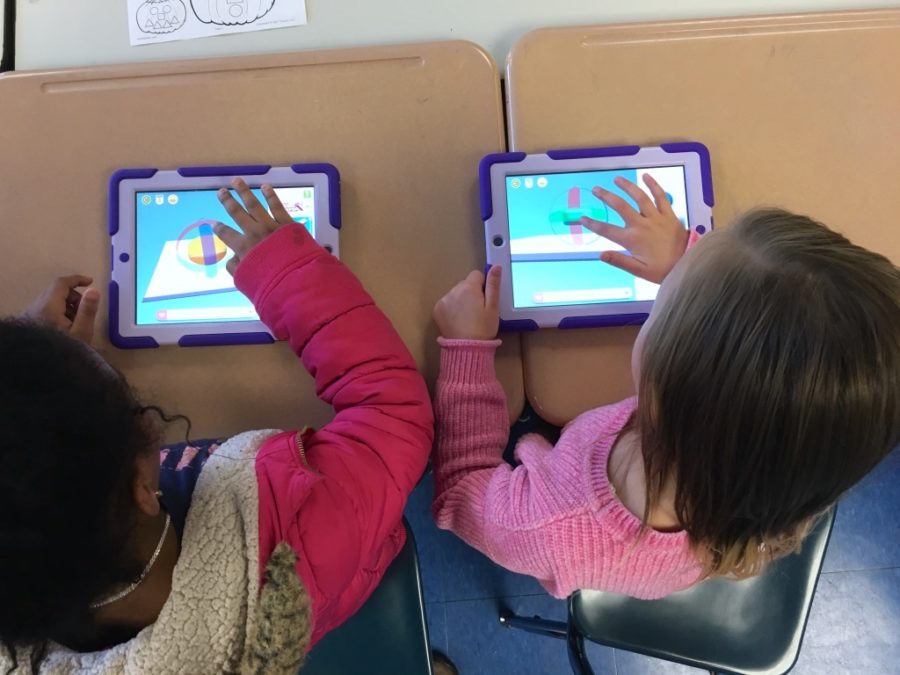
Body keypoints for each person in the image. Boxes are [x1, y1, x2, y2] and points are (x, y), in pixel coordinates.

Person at [0, 179, 434, 673]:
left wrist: (38, 374)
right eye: (130, 405)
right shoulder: (302, 535)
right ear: (142, 487)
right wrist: (288, 274)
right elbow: (393, 413)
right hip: (340, 557)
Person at [431, 174, 899, 599]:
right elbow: (773, 339)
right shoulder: (773, 478)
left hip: (559, 516)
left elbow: (461, 491)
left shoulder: (546, 524)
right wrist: (689, 264)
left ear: (665, 380)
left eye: (666, 303)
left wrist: (467, 348)